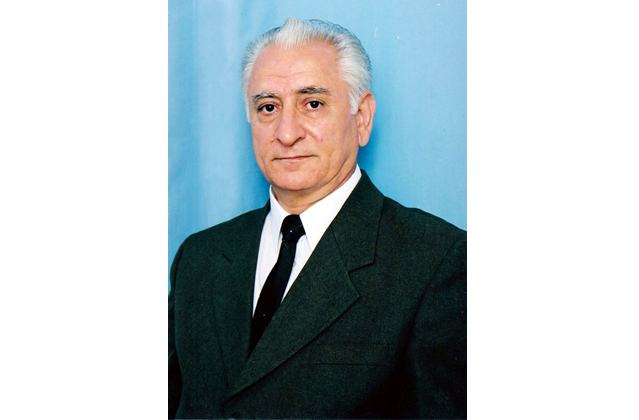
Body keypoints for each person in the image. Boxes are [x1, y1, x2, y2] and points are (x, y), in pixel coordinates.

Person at [169, 17, 466, 419]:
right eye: (268, 107)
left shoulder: (435, 261)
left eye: (312, 104)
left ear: (361, 117)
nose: (287, 132)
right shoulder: (199, 257)